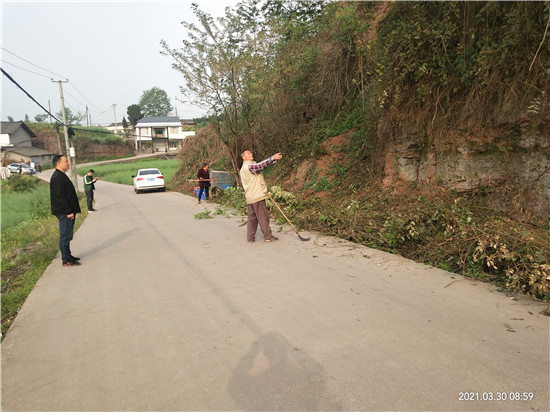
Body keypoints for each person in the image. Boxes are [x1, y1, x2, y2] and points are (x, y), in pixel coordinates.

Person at [239, 150, 282, 243]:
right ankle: (268, 236)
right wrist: (272, 158)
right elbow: (261, 165)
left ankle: (250, 238)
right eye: (248, 153)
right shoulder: (250, 166)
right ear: (244, 158)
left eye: (250, 152)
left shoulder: (242, 170)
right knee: (263, 216)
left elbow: (243, 182)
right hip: (257, 195)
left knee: (252, 219)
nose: (251, 154)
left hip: (250, 197)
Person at [50, 154, 82, 267]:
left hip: (66, 211)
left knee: (67, 235)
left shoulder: (61, 175)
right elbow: (60, 196)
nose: (68, 163)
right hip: (64, 212)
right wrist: (68, 211)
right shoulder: (57, 177)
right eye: (66, 162)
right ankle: (66, 259)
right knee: (65, 235)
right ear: (59, 163)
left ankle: (68, 255)